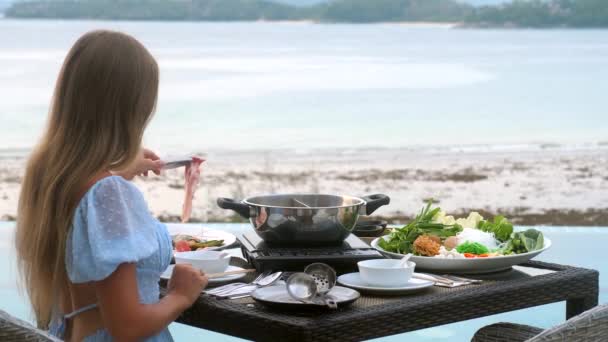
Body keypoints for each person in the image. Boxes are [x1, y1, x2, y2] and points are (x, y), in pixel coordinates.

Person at [15, 30, 208, 341]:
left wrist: (116, 169)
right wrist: (180, 296)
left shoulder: (50, 175)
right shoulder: (108, 194)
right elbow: (127, 328)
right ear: (133, 108)